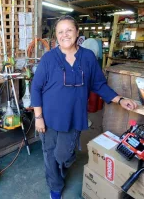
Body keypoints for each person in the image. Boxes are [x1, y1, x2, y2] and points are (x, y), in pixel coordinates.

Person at [31, 15, 137, 199]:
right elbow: (36, 87)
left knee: (63, 156)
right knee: (49, 155)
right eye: (60, 32)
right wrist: (38, 117)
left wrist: (119, 99)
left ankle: (64, 163)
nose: (65, 35)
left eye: (69, 30)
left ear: (77, 33)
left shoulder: (87, 57)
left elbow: (99, 84)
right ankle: (55, 187)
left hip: (74, 117)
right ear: (56, 36)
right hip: (48, 118)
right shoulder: (49, 59)